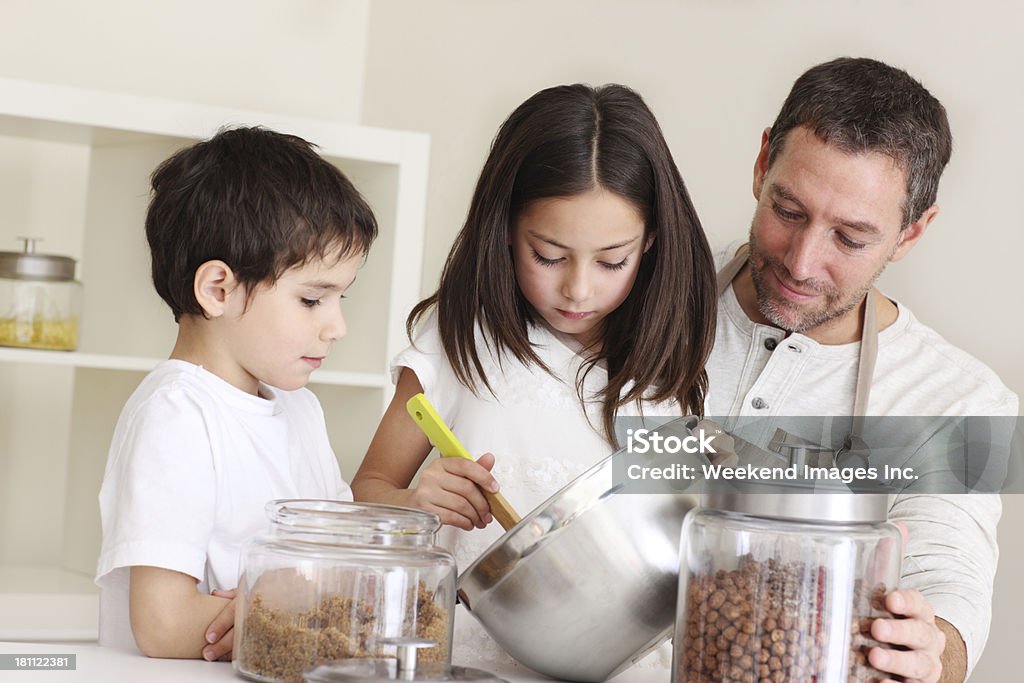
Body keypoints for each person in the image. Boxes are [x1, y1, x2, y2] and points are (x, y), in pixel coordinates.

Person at [351, 83, 718, 665]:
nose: (578, 288)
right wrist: (416, 504)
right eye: (548, 255)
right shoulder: (455, 342)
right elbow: (367, 493)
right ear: (504, 229)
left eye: (611, 261)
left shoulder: (669, 364)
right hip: (467, 661)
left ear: (650, 241)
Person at [705, 57, 1018, 683]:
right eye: (788, 210)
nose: (802, 262)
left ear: (911, 232)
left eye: (850, 238)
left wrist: (931, 651)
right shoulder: (630, 294)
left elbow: (949, 581)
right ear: (763, 162)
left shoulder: (962, 399)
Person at [95, 126, 377, 661]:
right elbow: (163, 624)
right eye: (313, 299)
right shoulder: (178, 414)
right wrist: (285, 604)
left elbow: (338, 566)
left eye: (342, 297)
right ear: (217, 290)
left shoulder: (299, 407)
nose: (337, 326)